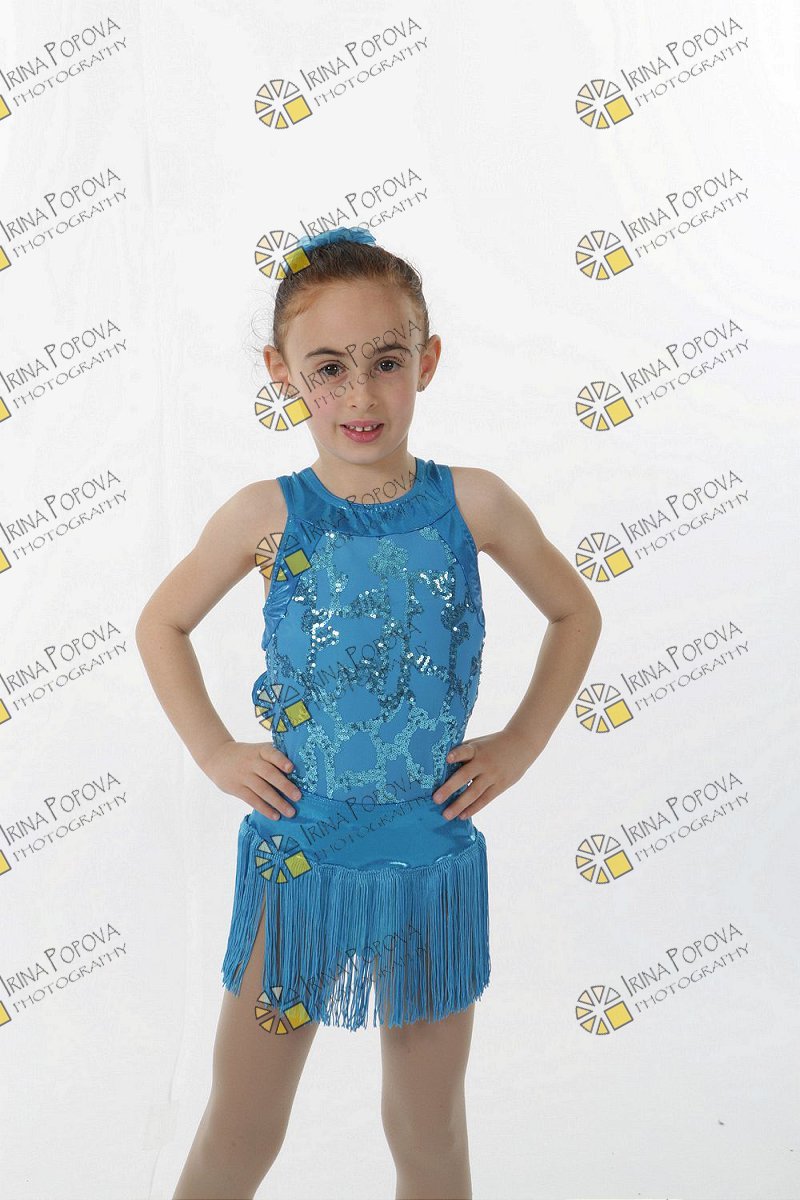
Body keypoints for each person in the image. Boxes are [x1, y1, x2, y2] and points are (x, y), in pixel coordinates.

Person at [135, 225, 603, 1200]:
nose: (359, 396)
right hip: (299, 863)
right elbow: (161, 624)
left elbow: (574, 611)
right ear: (282, 373)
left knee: (427, 1127)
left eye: (386, 362)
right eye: (328, 368)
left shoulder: (474, 504)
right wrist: (214, 749)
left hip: (428, 864)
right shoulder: (266, 516)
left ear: (426, 362)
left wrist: (521, 741)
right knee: (242, 1122)